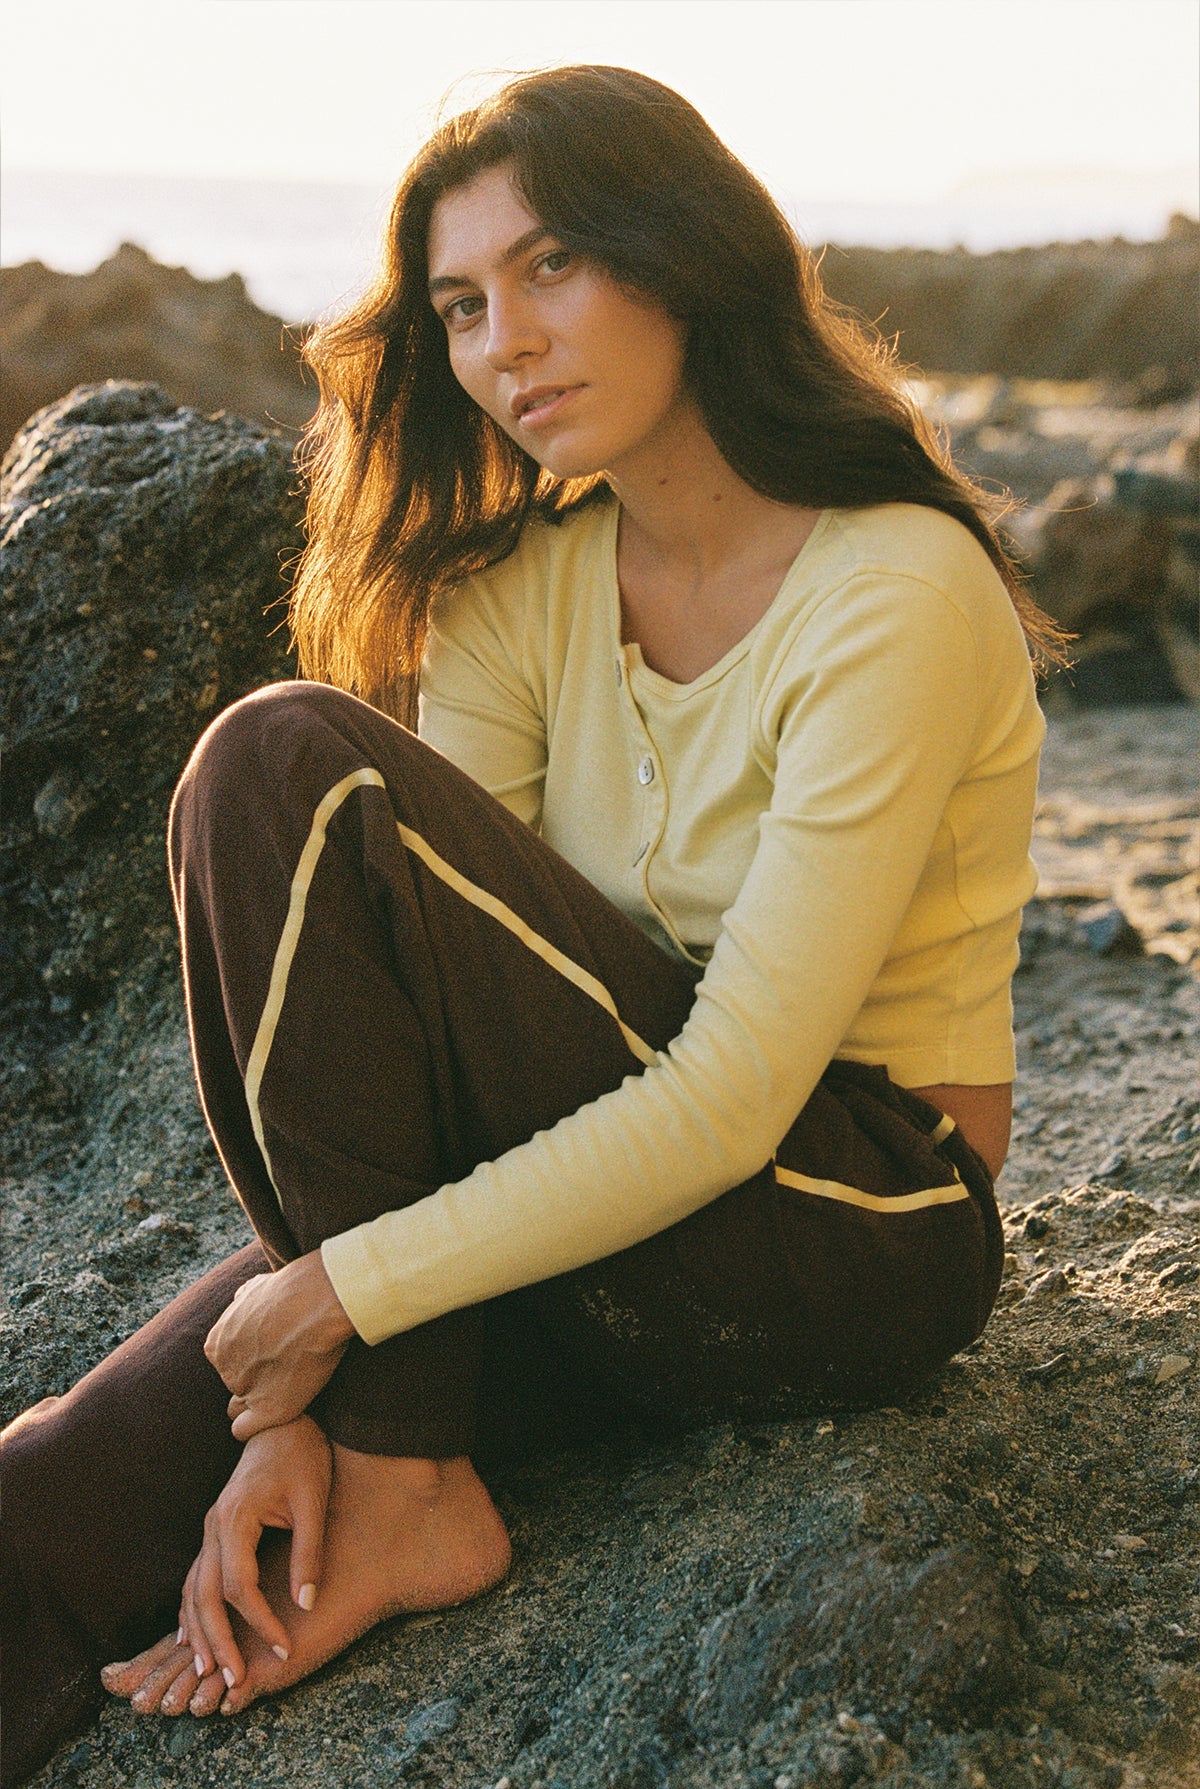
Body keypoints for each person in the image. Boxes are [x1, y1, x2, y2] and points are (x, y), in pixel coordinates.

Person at [0, 65, 1062, 1786]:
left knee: (283, 761)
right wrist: (312, 1396)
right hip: (595, 1205)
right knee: (52, 1498)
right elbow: (415, 1017)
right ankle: (406, 1464)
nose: (505, 341)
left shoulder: (896, 588)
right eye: (462, 303)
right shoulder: (517, 584)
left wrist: (341, 1299)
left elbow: (729, 1096)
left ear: (683, 254)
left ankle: (419, 1486)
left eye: (553, 265)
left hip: (849, 1214)